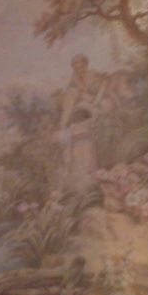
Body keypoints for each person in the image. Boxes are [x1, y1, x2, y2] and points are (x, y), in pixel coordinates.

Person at [57, 54, 106, 192]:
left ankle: (91, 183)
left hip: (92, 115)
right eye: (76, 67)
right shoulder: (73, 85)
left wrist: (95, 101)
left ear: (86, 65)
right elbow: (69, 107)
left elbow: (102, 87)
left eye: (81, 65)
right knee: (79, 155)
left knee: (89, 154)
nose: (79, 69)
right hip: (80, 122)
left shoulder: (93, 76)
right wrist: (63, 125)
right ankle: (82, 185)